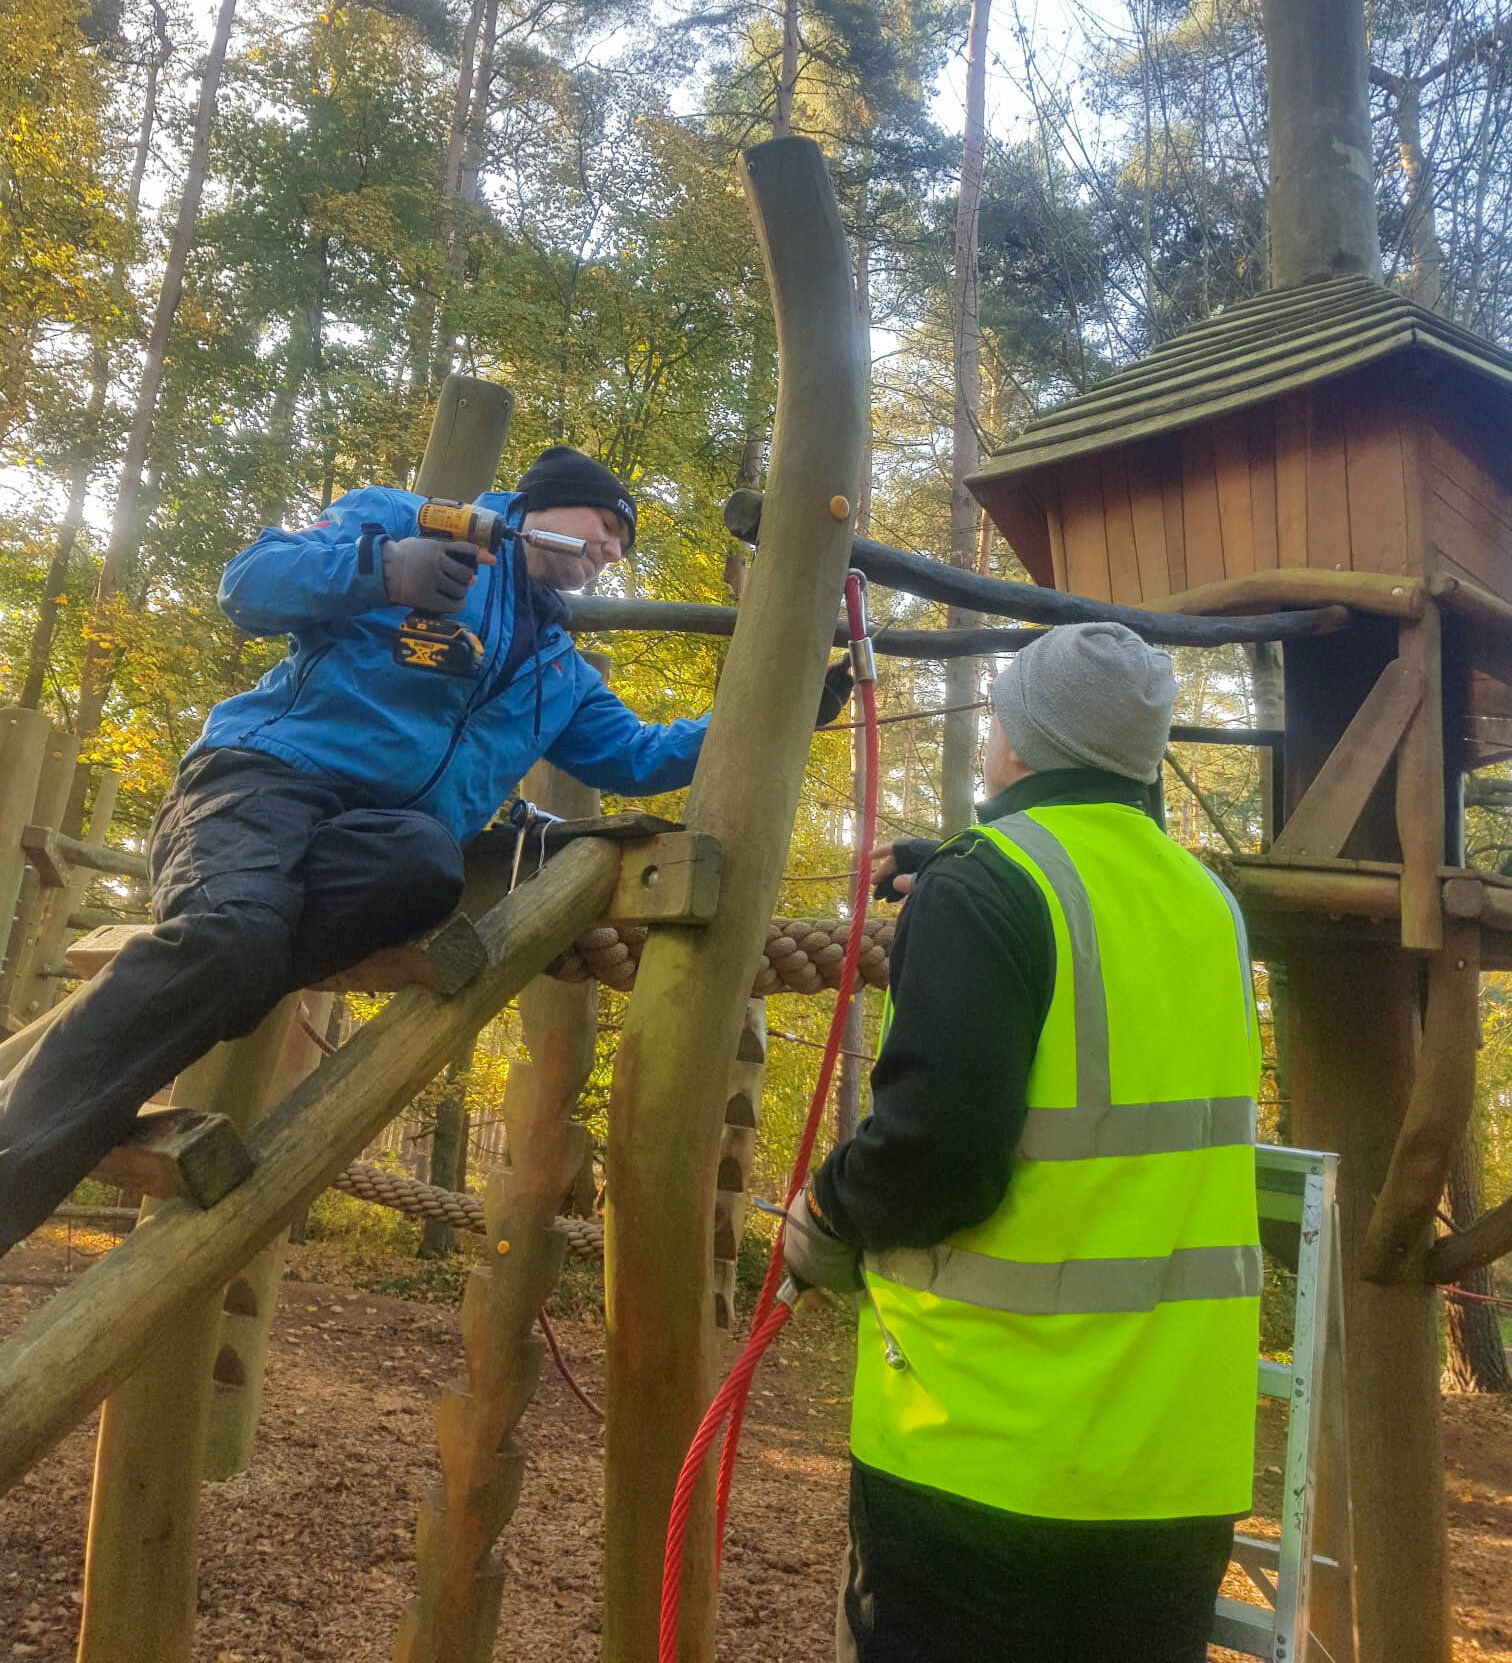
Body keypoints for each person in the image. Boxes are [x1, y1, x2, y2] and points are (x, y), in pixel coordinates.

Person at [0, 445, 852, 1254]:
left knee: (423, 868)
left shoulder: (559, 670)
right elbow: (249, 584)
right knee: (234, 935)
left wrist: (779, 713)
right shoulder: (407, 523)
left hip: (379, 844)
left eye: (618, 549)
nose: (607, 553)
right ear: (540, 504)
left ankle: (212, 973)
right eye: (603, 528)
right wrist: (383, 570)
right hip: (265, 782)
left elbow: (637, 757)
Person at [782, 621, 1261, 1663]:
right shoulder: (1207, 905)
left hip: (985, 1459)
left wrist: (823, 1215)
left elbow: (935, 1157)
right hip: (1175, 1470)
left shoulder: (991, 882)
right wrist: (944, 878)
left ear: (1017, 739)